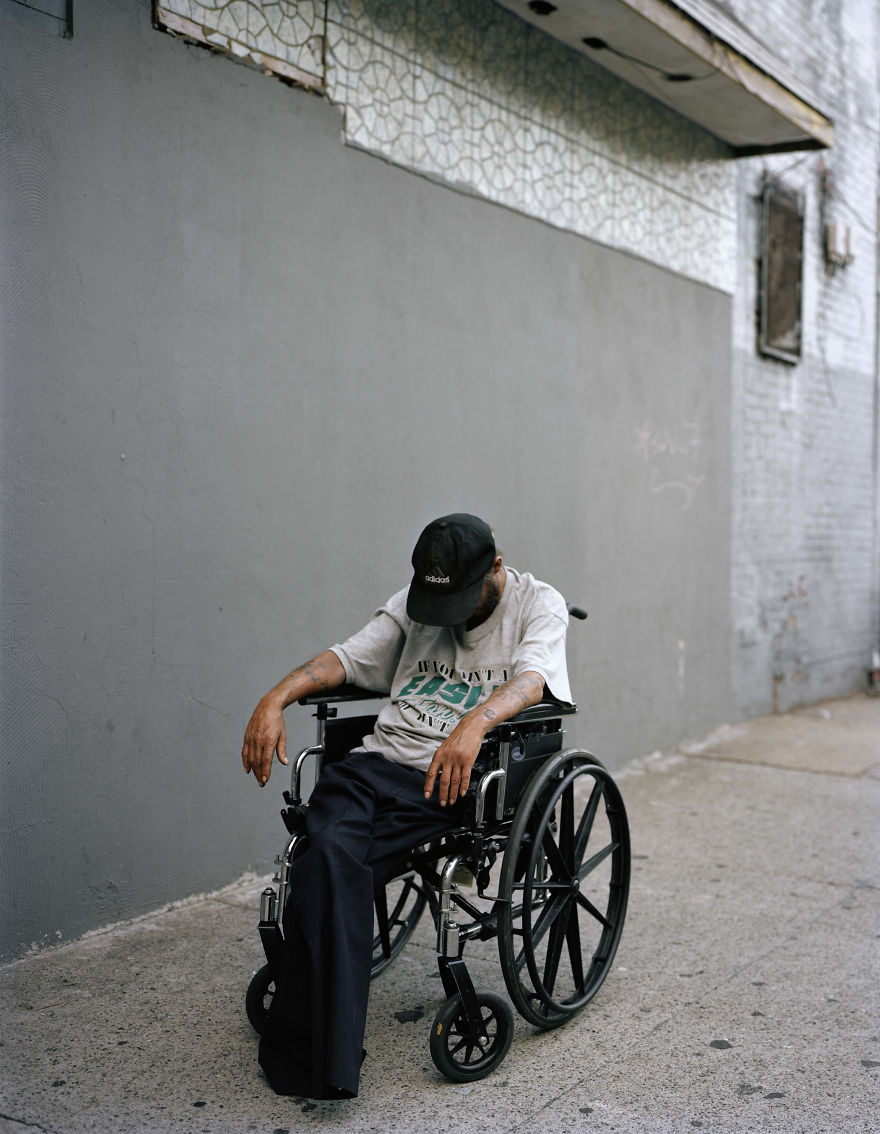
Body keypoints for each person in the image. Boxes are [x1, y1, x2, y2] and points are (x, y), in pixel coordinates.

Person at [241, 513, 572, 1099]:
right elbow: (345, 659)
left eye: (461, 600)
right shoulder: (415, 603)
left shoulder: (537, 604)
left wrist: (474, 723)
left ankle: (317, 1052)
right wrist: (275, 697)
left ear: (496, 567)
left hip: (449, 781)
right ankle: (325, 1047)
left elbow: (533, 681)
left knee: (327, 867)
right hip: (372, 766)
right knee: (327, 854)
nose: (448, 617)